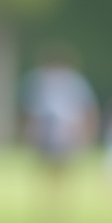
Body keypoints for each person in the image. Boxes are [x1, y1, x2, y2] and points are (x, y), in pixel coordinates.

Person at [20, 47, 98, 205]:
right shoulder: (37, 80)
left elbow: (85, 109)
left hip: (66, 130)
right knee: (45, 167)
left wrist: (86, 132)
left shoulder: (75, 81)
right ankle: (48, 199)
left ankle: (59, 200)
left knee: (63, 168)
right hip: (45, 129)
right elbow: (29, 109)